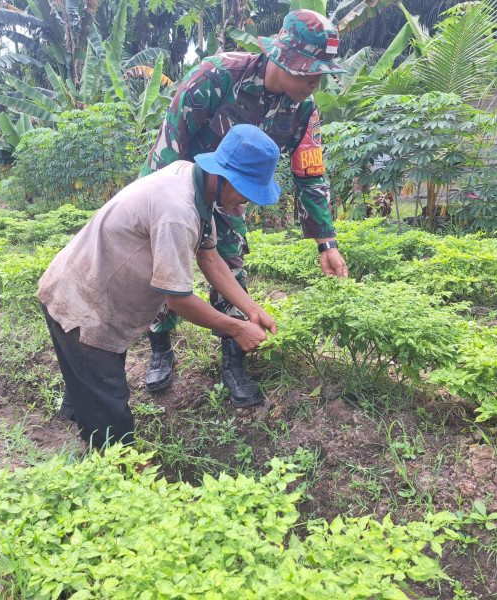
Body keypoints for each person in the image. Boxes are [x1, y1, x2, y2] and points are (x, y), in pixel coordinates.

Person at [141, 9, 349, 407]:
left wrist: (327, 243)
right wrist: (163, 211)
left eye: (320, 75)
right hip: (183, 186)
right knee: (165, 267)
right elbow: (170, 144)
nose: (315, 84)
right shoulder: (216, 76)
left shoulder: (304, 112)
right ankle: (160, 346)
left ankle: (234, 359)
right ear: (283, 59)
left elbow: (310, 174)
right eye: (309, 73)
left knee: (231, 265)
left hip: (231, 199)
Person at [37, 125, 280, 448]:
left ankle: (81, 444)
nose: (244, 201)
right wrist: (236, 329)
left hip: (95, 294)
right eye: (245, 191)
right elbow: (179, 300)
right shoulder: (177, 212)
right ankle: (110, 476)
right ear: (224, 177)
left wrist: (252, 310)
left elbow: (210, 259)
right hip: (82, 305)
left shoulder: (192, 180)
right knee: (109, 411)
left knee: (90, 391)